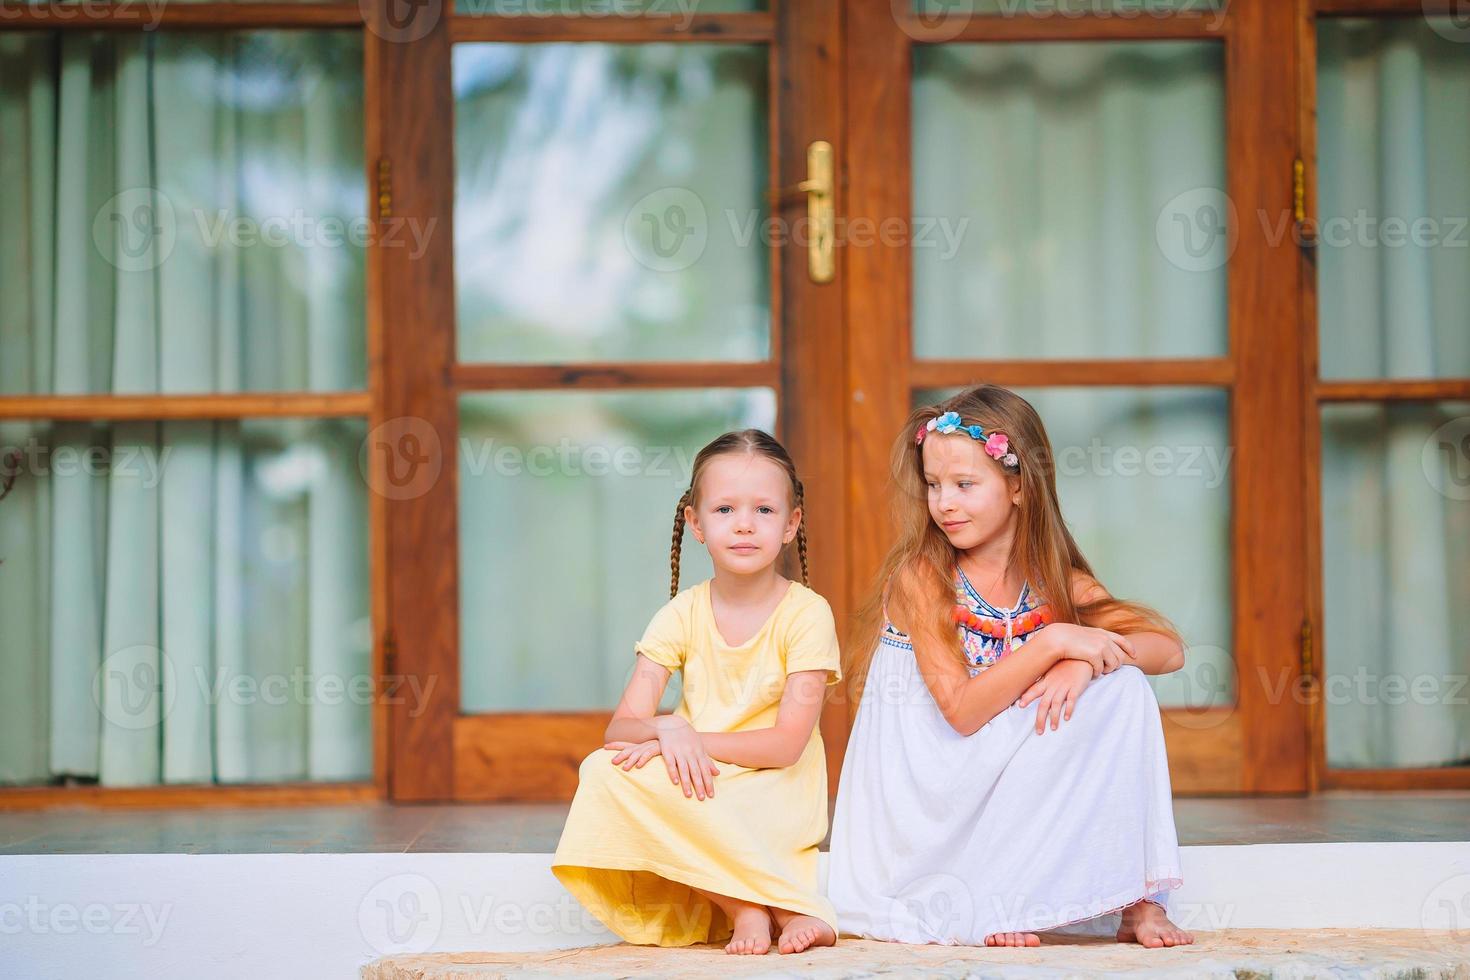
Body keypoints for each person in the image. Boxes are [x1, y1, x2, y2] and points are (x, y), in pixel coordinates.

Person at [828, 384, 1196, 949]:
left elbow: (1167, 649)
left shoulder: (1052, 580)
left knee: (1124, 688)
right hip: (931, 794)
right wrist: (1054, 643)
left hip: (993, 774)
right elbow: (961, 713)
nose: (944, 503)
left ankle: (1139, 903)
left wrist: (1083, 662)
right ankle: (1001, 896)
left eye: (965, 485)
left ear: (1020, 486)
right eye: (933, 485)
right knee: (1109, 678)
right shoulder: (922, 578)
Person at [552, 429, 842, 955]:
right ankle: (745, 906)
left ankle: (795, 907)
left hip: (771, 784)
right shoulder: (680, 613)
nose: (745, 524)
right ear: (696, 523)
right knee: (602, 769)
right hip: (698, 779)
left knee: (701, 792)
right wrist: (667, 728)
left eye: (765, 510)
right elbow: (620, 729)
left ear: (791, 523)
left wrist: (690, 741)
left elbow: (785, 746)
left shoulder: (807, 613)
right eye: (726, 508)